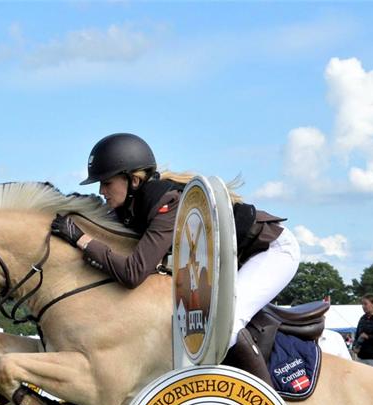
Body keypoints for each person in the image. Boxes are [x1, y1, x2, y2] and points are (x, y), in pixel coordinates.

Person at [56, 133, 299, 376]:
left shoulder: (167, 203)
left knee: (228, 326)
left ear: (133, 180)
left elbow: (133, 272)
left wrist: (82, 240)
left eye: (107, 183)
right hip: (230, 262)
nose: (101, 191)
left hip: (272, 251)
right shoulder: (131, 208)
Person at [353, 294, 373, 368]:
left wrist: (368, 337)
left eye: (365, 304)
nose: (363, 306)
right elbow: (357, 335)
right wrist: (354, 346)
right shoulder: (362, 318)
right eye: (362, 304)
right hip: (360, 357)